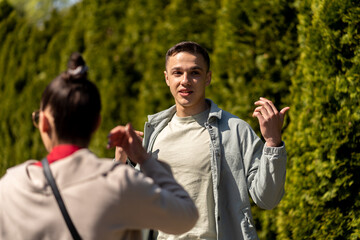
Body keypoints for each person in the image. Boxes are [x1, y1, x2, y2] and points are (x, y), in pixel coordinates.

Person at [0, 53, 198, 240]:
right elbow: (185, 216)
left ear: (44, 124)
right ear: (96, 123)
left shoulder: (11, 187)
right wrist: (144, 159)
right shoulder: (120, 183)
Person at [116, 41, 289, 240]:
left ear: (208, 78)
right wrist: (122, 164)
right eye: (177, 73)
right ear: (166, 78)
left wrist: (273, 143)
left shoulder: (235, 130)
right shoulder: (154, 135)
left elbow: (268, 199)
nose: (185, 81)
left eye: (195, 73)